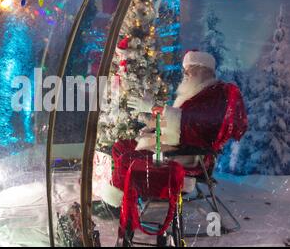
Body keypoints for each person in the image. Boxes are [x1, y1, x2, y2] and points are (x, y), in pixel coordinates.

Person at [101, 50, 248, 208]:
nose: (185, 75)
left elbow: (192, 125)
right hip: (172, 146)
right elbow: (178, 124)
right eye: (184, 71)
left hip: (188, 156)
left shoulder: (213, 96)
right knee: (120, 147)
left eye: (188, 71)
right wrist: (152, 122)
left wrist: (155, 108)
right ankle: (125, 196)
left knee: (127, 159)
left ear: (202, 71)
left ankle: (120, 204)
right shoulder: (195, 93)